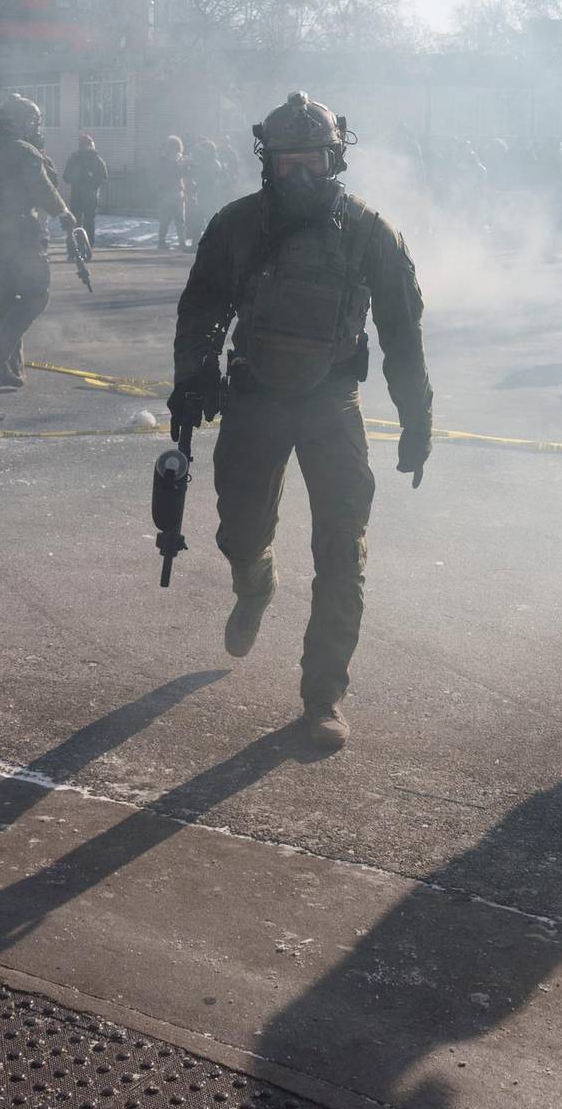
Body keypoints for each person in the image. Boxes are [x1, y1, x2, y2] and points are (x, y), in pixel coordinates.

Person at [169, 91, 433, 750]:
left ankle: (323, 697)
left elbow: (402, 330)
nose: (300, 176)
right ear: (268, 163)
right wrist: (191, 375)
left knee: (342, 549)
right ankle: (255, 583)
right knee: (238, 531)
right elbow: (201, 307)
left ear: (334, 159)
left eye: (312, 160)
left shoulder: (370, 232)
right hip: (255, 397)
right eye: (286, 163)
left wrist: (416, 416)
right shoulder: (236, 225)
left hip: (331, 403)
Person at [0, 94, 75, 387]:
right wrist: (63, 212)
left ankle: (9, 367)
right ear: (22, 122)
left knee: (4, 298)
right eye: (33, 122)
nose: (36, 127)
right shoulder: (24, 151)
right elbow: (43, 187)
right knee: (37, 294)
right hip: (19, 233)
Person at [62, 134, 108, 251]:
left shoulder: (74, 158)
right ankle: (87, 246)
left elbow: (66, 177)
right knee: (88, 222)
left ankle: (76, 247)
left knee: (76, 223)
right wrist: (92, 183)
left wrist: (77, 179)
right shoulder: (96, 159)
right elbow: (103, 177)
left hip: (78, 196)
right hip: (90, 196)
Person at [185, 139, 224, 246]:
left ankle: (216, 244)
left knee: (210, 220)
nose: (201, 151)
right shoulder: (205, 161)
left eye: (203, 149)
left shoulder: (214, 163)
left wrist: (195, 168)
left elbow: (208, 176)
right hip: (202, 195)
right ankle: (195, 244)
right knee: (198, 220)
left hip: (209, 196)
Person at [155, 136, 188, 249]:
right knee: (166, 219)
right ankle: (162, 241)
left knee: (179, 220)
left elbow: (183, 174)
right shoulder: (163, 160)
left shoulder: (178, 159)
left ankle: (180, 242)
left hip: (176, 192)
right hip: (168, 192)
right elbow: (167, 174)